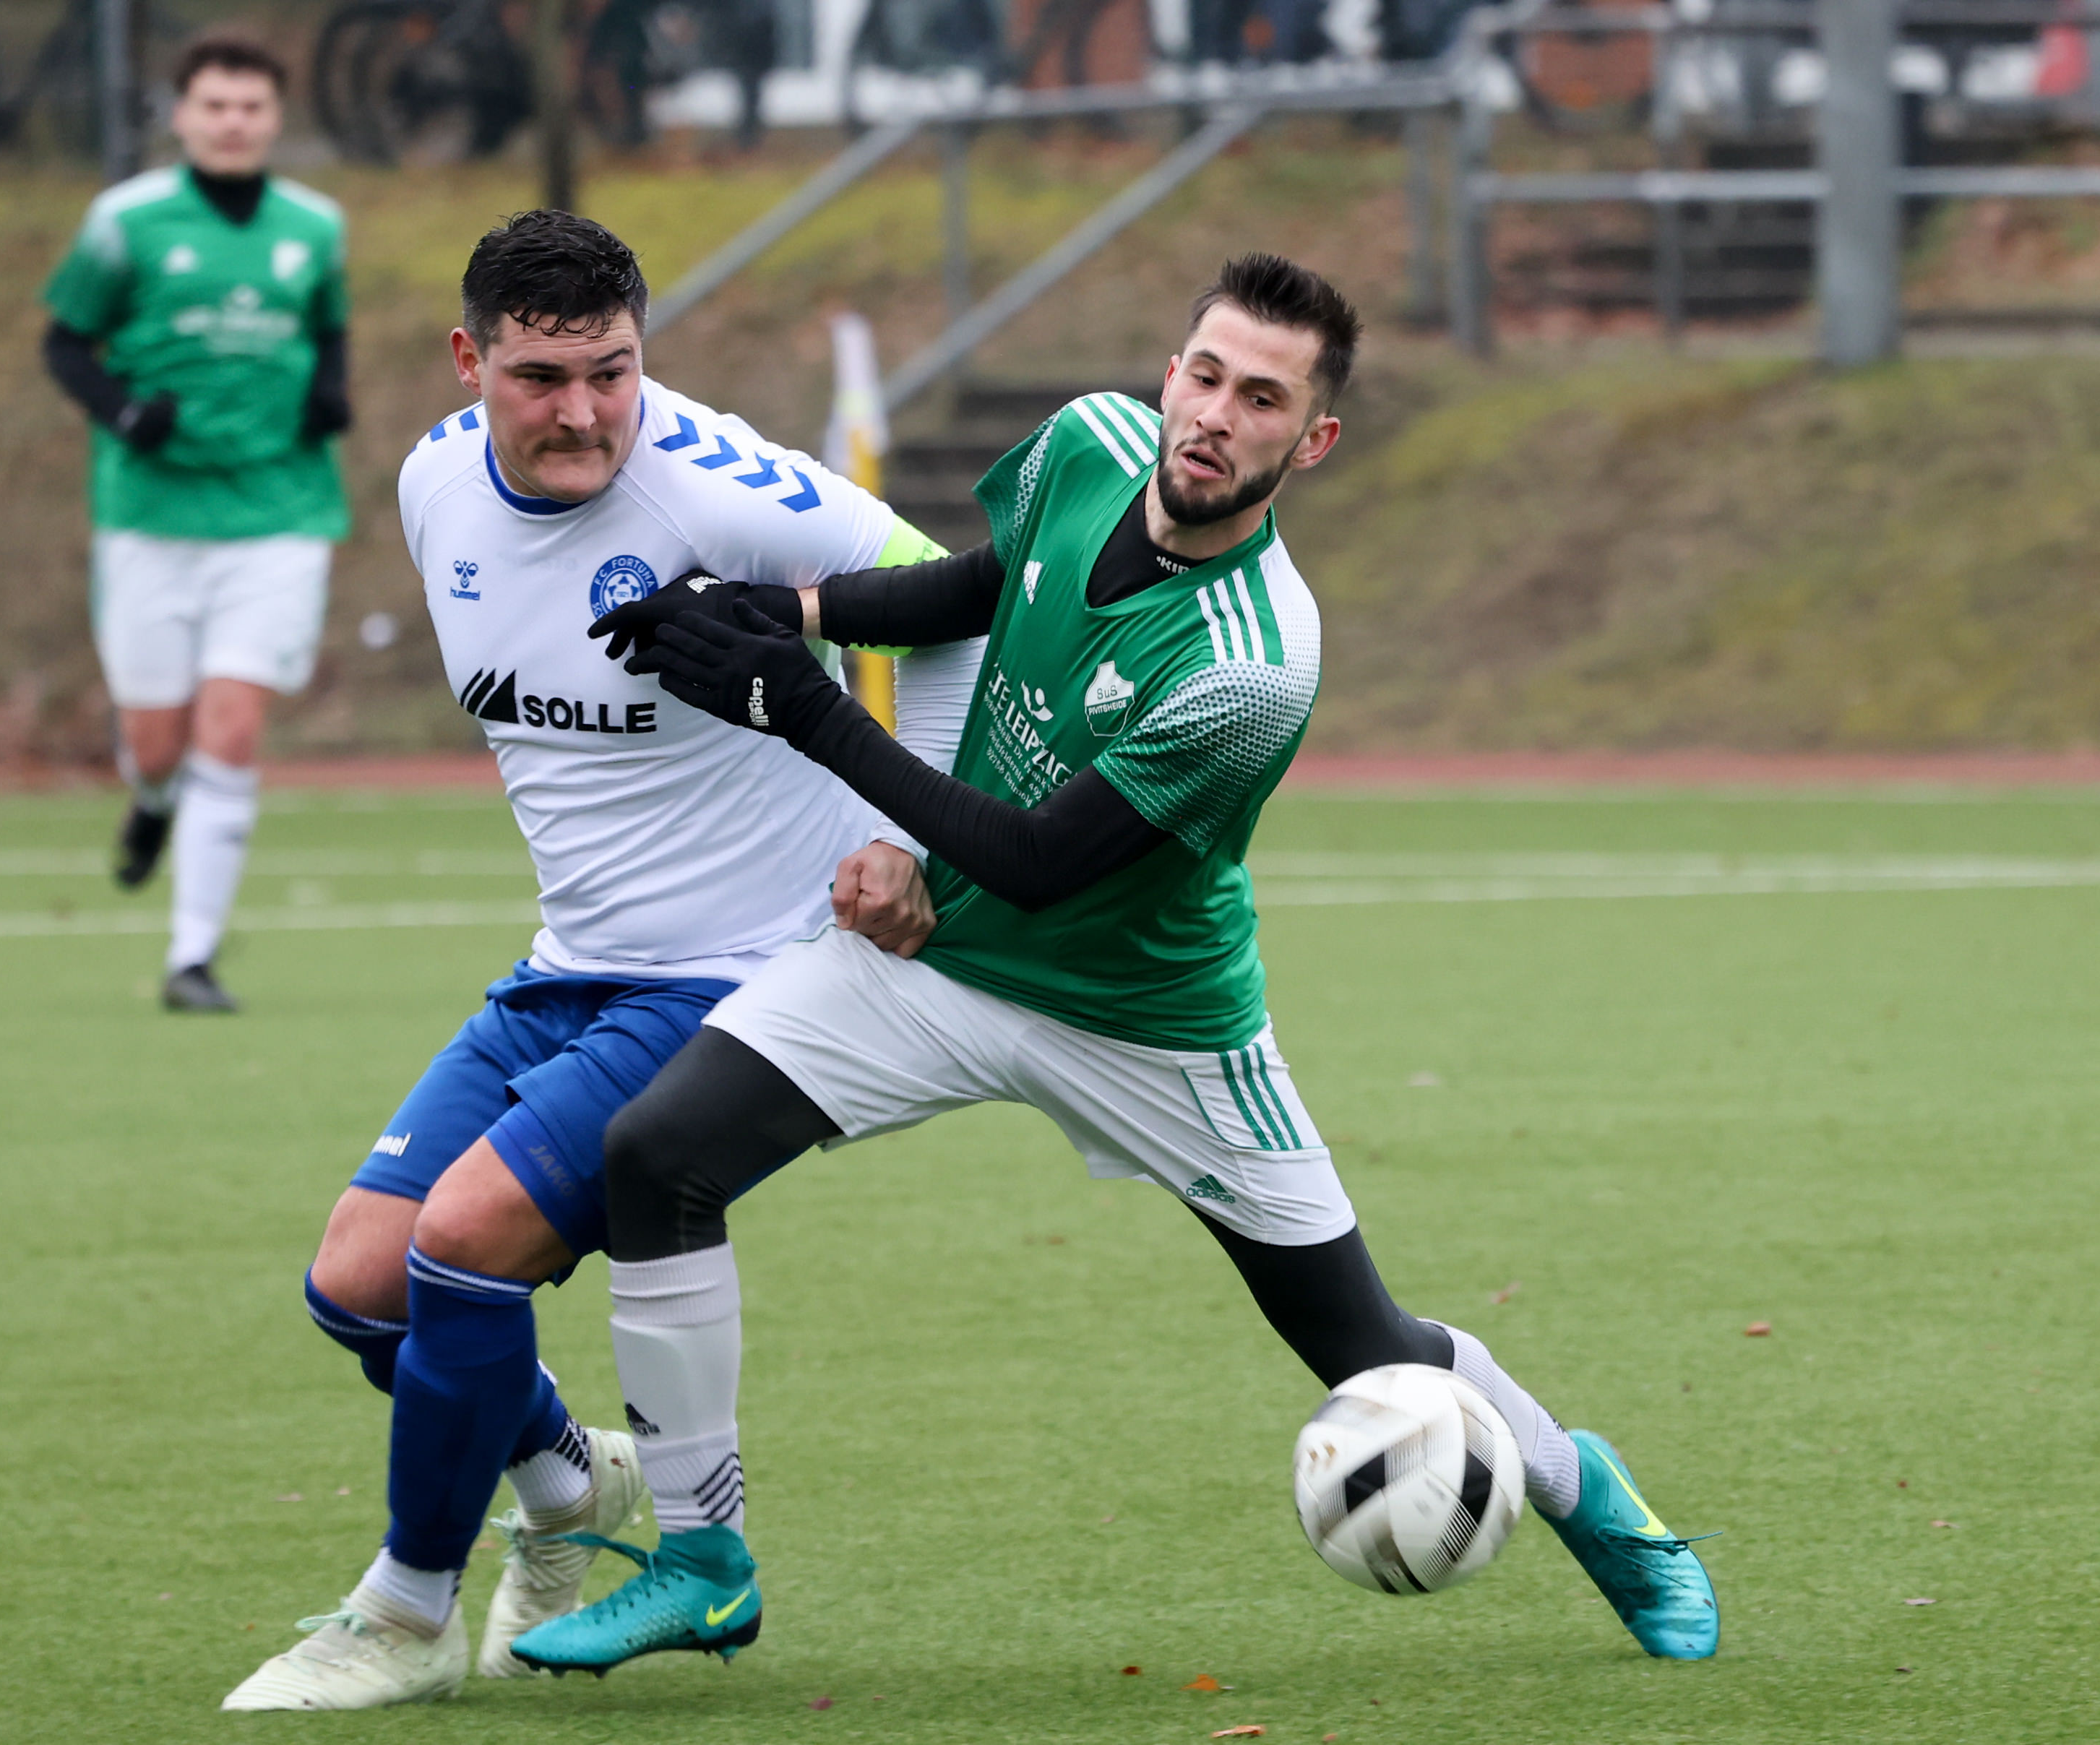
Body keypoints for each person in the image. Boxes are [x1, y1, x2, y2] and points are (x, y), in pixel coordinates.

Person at [509, 253, 1720, 1676]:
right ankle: (706, 1566)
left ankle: (1594, 1497)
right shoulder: (1086, 445)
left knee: (1364, 1344)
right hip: (945, 959)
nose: (1216, 416)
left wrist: (802, 708)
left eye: (1262, 399)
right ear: (1170, 374)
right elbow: (984, 584)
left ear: (1313, 440)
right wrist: (791, 613)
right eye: (1205, 376)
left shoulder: (1255, 663)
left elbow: (1038, 858)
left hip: (1152, 1022)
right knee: (657, 1156)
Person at [219, 210, 979, 1711]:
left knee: (462, 1245)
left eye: (611, 372)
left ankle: (405, 1615)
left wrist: (913, 841)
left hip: (745, 976)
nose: (582, 413)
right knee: (359, 1286)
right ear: (469, 362)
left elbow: (958, 603)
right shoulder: (435, 484)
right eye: (541, 377)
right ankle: (570, 1480)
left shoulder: (719, 488)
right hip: (570, 963)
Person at [40, 33, 352, 1013]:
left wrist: (331, 391)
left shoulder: (317, 226)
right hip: (152, 515)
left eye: (251, 107)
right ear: (180, 115)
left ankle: (192, 958)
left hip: (278, 509)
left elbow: (329, 327)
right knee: (157, 740)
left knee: (233, 726)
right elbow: (64, 343)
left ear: (275, 118)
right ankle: (151, 798)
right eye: (214, 105)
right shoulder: (123, 222)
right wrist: (125, 413)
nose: (233, 123)